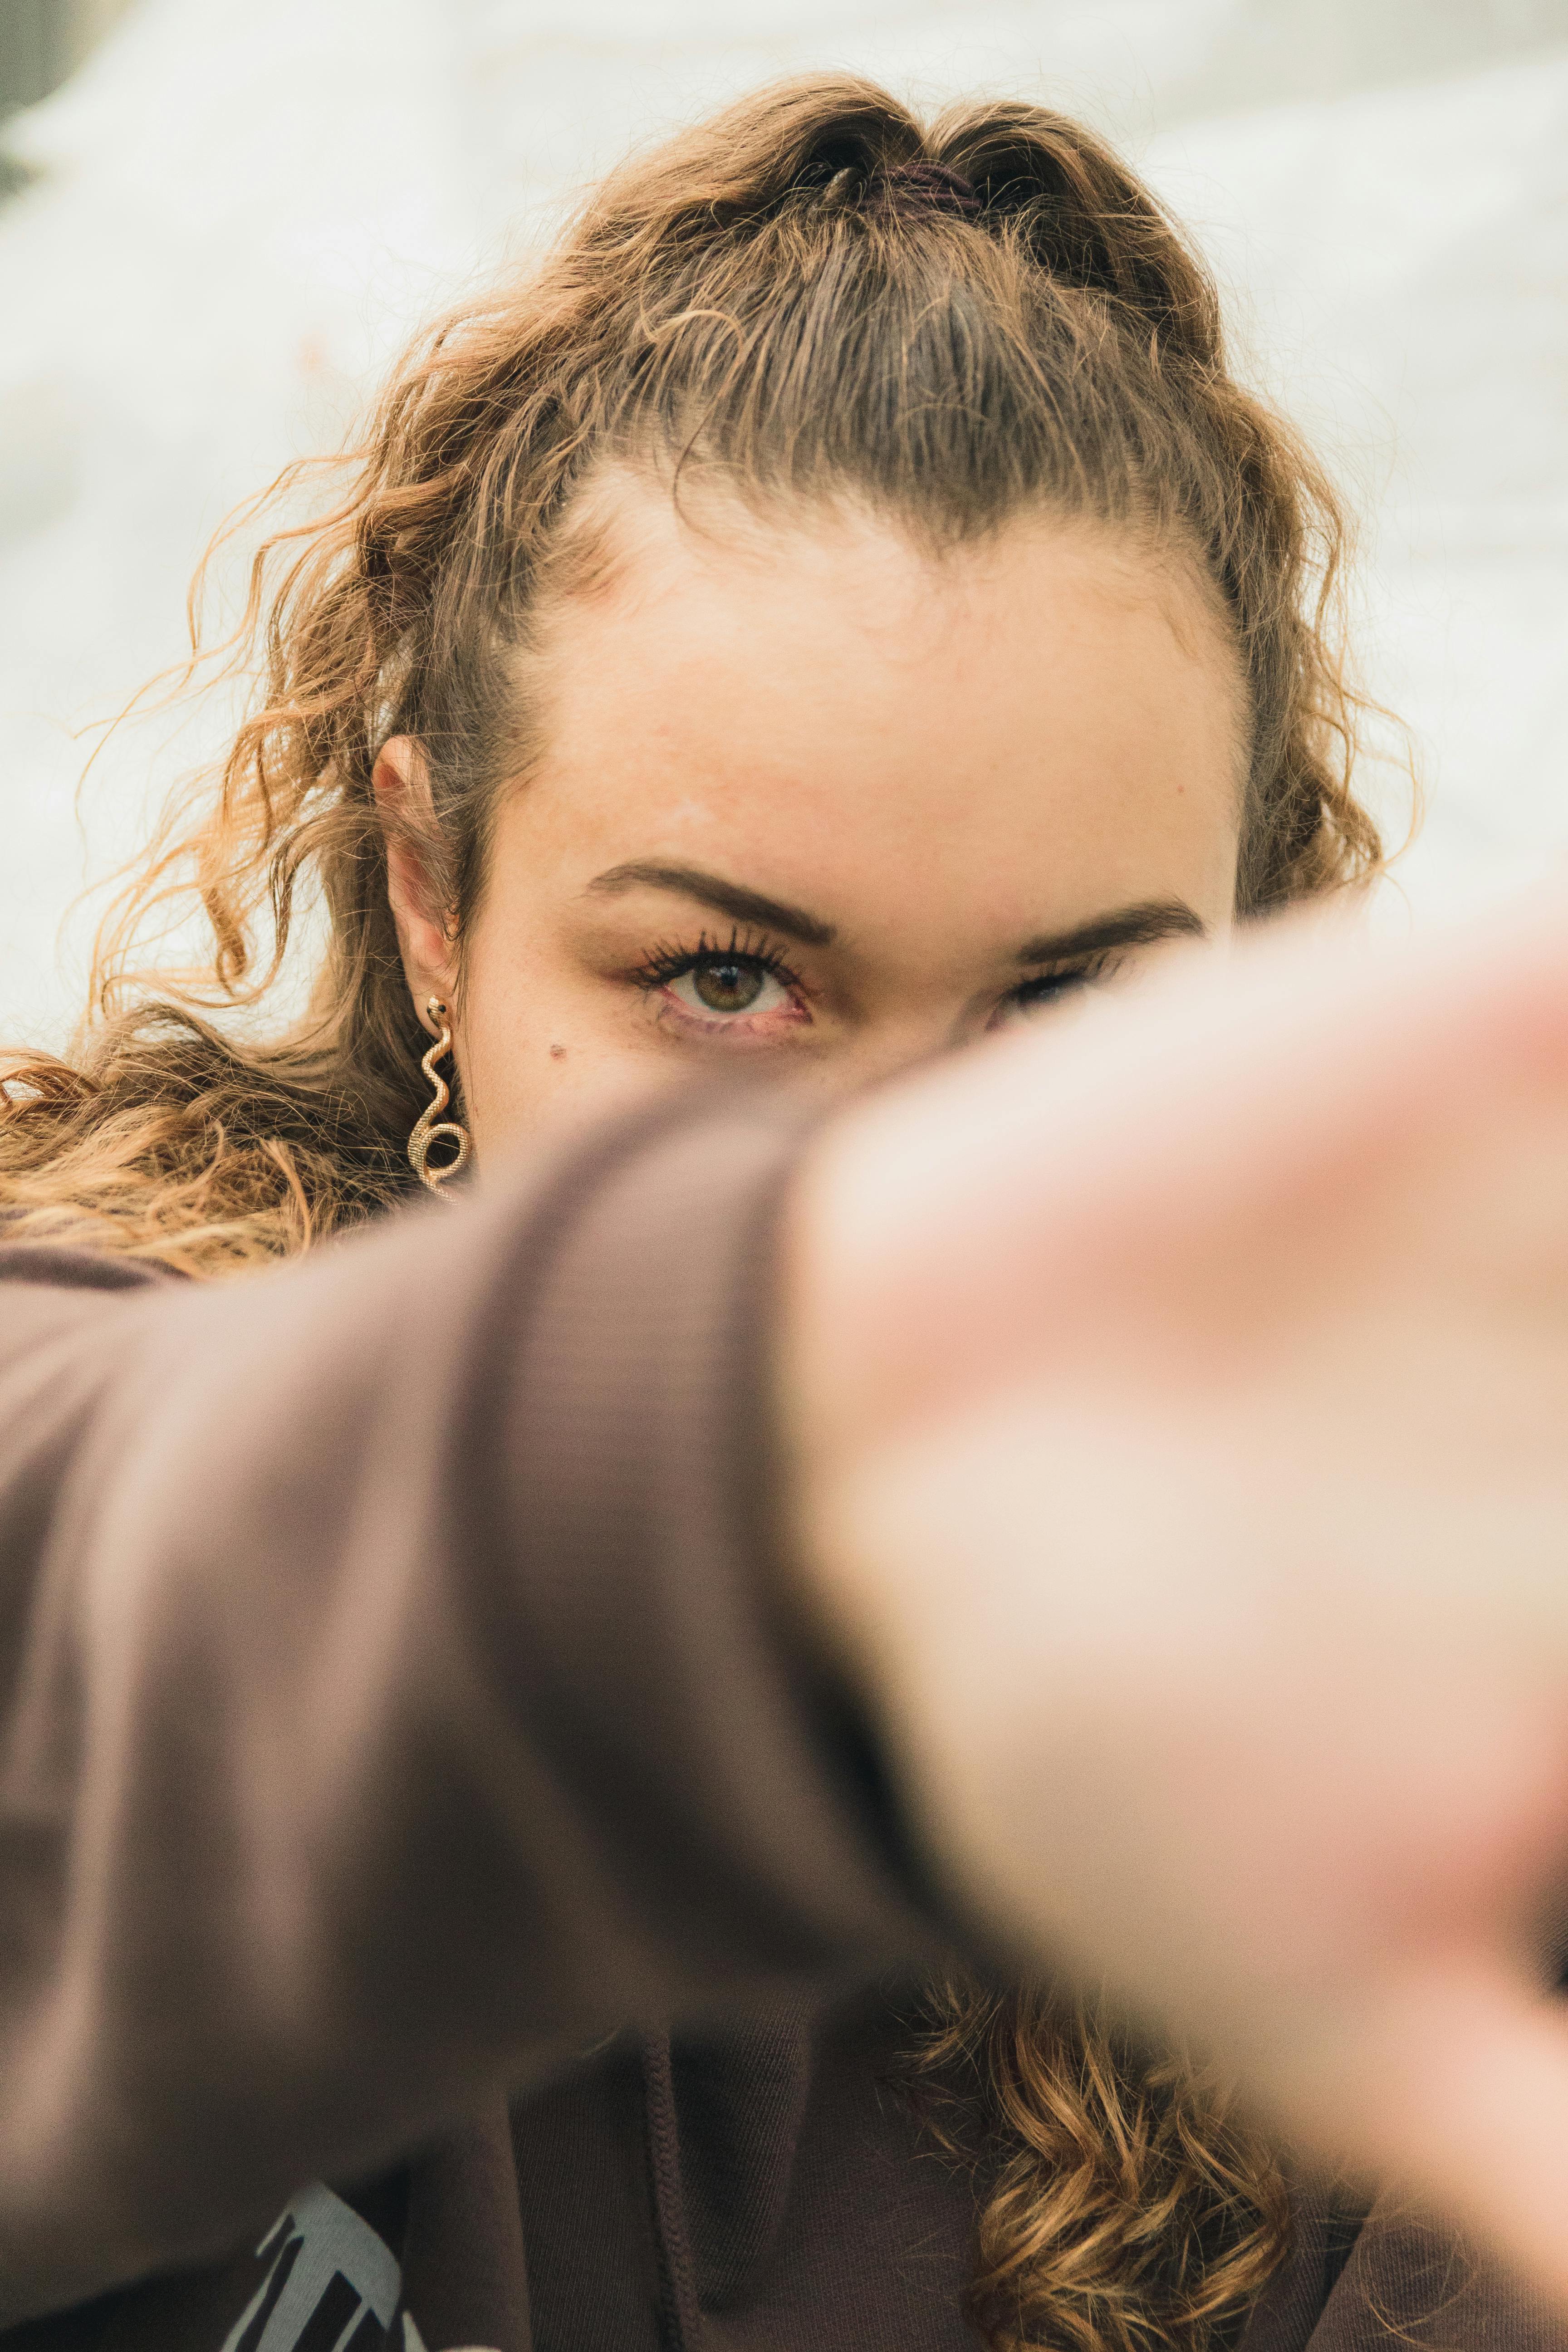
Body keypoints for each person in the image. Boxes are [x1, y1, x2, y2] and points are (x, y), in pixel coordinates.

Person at [1, 71, 1567, 2352]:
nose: (920, 1182)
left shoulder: (1393, 1781)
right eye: (728, 981)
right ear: (432, 893)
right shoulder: (122, 1397)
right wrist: (749, 1425)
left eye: (1073, 1010)